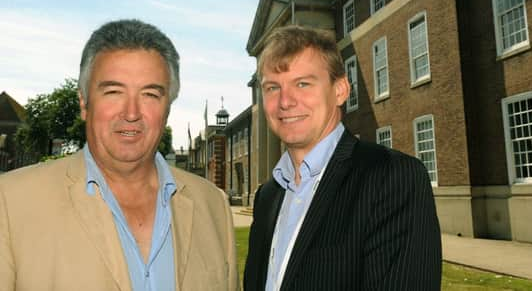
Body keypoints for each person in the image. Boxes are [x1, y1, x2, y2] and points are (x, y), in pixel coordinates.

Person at [0, 19, 238, 291]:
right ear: (84, 103)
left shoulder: (214, 206)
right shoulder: (10, 203)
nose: (131, 113)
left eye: (150, 94)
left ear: (168, 108)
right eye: (113, 92)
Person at [244, 25, 441, 291]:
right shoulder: (267, 196)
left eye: (302, 83)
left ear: (340, 90)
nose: (285, 101)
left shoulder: (392, 178)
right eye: (272, 88)